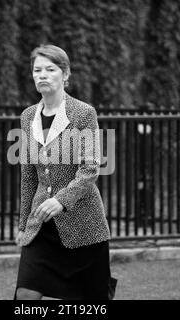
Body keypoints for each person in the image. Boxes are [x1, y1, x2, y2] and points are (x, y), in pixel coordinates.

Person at [14, 44, 116, 300]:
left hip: (83, 225)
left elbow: (90, 169)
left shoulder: (83, 113)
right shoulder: (27, 117)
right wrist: (23, 223)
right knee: (26, 295)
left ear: (65, 74)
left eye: (50, 69)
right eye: (37, 70)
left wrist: (60, 200)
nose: (42, 75)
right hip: (41, 224)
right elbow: (28, 175)